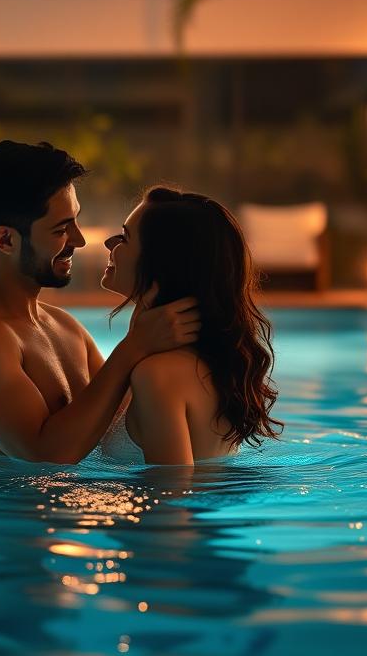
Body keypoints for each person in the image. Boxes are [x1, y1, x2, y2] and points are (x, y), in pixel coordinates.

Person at [0, 141, 200, 464]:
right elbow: (47, 455)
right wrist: (133, 347)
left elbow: (124, 429)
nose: (79, 240)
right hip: (5, 510)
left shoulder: (63, 326)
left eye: (75, 221)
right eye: (62, 228)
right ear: (6, 240)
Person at [95, 186, 282, 465]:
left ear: (160, 263)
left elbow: (172, 499)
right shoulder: (209, 364)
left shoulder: (157, 374)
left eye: (124, 238)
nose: (110, 245)